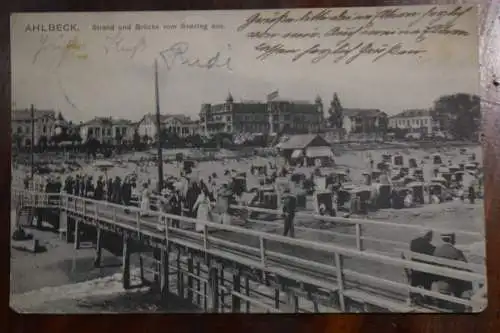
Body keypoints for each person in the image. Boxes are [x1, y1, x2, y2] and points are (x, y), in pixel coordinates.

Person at [431, 233, 473, 311]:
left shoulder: (437, 250)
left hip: (440, 279)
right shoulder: (456, 251)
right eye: (454, 238)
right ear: (451, 239)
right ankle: (459, 305)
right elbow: (465, 267)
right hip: (452, 280)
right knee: (466, 282)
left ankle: (444, 303)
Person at [407, 230, 436, 304]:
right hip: (423, 273)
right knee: (430, 274)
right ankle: (428, 296)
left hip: (414, 271)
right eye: (431, 236)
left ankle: (412, 295)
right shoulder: (429, 246)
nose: (431, 239)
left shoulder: (413, 242)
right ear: (428, 236)